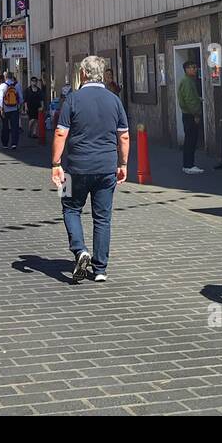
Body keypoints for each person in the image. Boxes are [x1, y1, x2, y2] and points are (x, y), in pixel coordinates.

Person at [52, 55, 128, 284]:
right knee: (103, 218)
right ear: (102, 74)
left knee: (68, 206)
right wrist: (123, 164)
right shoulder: (114, 100)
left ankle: (79, 249)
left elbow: (60, 133)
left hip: (75, 167)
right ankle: (100, 268)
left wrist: (56, 164)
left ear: (83, 74)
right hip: (106, 168)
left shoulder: (72, 99)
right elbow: (123, 135)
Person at [177, 61, 205, 175]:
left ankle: (188, 164)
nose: (195, 69)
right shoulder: (187, 81)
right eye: (192, 67)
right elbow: (189, 99)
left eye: (195, 67)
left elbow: (190, 97)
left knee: (190, 140)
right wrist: (196, 114)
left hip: (188, 114)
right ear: (187, 69)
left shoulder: (187, 81)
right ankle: (189, 165)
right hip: (190, 115)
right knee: (190, 140)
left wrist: (198, 99)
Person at [0, 73, 22, 150]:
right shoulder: (17, 85)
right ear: (12, 77)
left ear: (6, 77)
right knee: (14, 126)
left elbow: (0, 98)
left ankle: (5, 143)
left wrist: (1, 108)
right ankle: (14, 143)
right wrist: (20, 107)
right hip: (15, 109)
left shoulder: (2, 86)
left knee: (5, 126)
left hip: (5, 109)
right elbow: (21, 98)